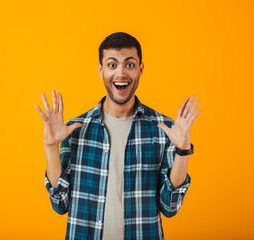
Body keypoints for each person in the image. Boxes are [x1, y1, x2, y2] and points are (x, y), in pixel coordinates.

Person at [35, 32, 201, 240]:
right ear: (100, 69)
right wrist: (50, 147)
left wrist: (183, 150)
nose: (121, 73)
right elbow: (60, 204)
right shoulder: (74, 129)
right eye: (112, 65)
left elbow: (170, 207)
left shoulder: (165, 129)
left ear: (140, 69)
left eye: (129, 65)